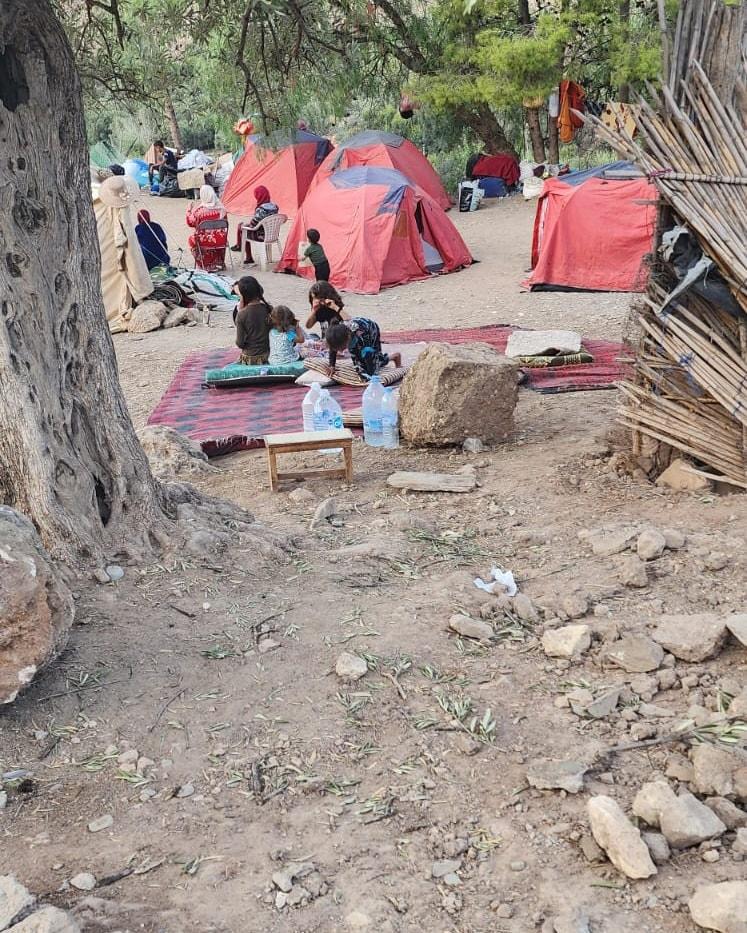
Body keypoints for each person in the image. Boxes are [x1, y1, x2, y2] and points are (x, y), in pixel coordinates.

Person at [325, 319, 401, 378]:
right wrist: (332, 365)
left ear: (348, 337)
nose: (341, 351)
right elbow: (332, 349)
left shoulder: (360, 334)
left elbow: (368, 354)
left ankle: (395, 356)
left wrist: (370, 376)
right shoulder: (336, 335)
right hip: (354, 335)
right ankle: (392, 357)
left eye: (342, 348)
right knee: (360, 361)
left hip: (371, 330)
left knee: (373, 360)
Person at [231, 186, 279, 262]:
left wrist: (247, 225)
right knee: (243, 227)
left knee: (242, 228)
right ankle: (239, 245)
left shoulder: (261, 209)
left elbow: (253, 225)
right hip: (272, 234)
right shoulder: (275, 207)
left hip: (260, 236)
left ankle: (248, 256)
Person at [186, 185, 228, 271]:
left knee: (191, 239)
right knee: (219, 235)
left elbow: (190, 223)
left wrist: (189, 211)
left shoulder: (200, 212)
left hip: (204, 241)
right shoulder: (222, 209)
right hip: (220, 240)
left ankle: (204, 264)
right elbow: (224, 223)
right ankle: (218, 262)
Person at [234, 276, 272, 364]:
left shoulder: (241, 314)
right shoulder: (269, 309)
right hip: (268, 354)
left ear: (243, 295)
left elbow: (240, 343)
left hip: (250, 358)